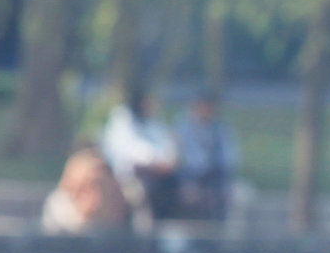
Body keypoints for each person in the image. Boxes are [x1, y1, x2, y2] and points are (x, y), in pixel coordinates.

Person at [100, 88, 178, 222]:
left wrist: (165, 161)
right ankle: (143, 237)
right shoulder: (122, 120)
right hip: (126, 178)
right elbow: (130, 152)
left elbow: (167, 148)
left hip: (158, 177)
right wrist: (153, 162)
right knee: (141, 196)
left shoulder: (153, 121)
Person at [175, 90, 238, 222]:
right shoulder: (184, 127)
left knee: (221, 196)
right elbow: (185, 157)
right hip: (189, 175)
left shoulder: (220, 129)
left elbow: (229, 157)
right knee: (191, 196)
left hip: (214, 176)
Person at [40, 144, 129, 236]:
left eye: (96, 185)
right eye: (83, 188)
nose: (92, 197)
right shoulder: (60, 204)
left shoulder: (124, 204)